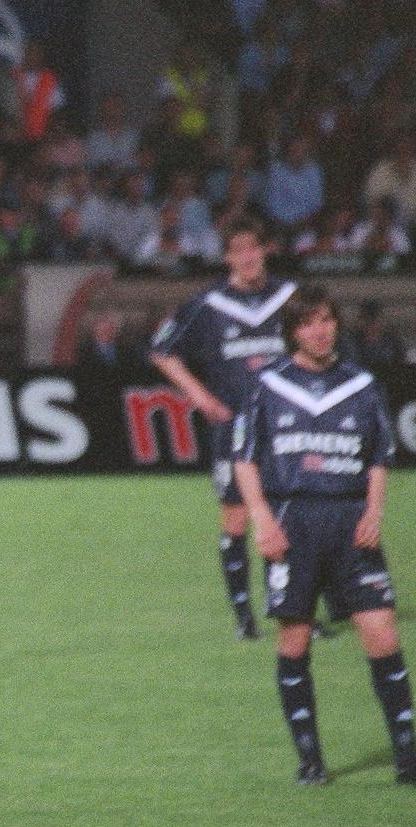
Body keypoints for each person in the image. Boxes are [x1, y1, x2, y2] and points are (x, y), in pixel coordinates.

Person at [233, 284, 416, 787]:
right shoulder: (268, 386)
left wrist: (375, 510)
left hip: (351, 524)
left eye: (327, 320)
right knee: (294, 640)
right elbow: (244, 459)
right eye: (309, 322)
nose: (321, 330)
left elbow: (378, 456)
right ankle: (310, 761)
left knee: (383, 634)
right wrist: (262, 519)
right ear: (293, 331)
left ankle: (408, 760)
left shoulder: (361, 384)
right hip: (293, 524)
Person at [148, 217, 295, 639]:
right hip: (235, 429)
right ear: (228, 257)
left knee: (287, 517)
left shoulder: (288, 297)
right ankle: (244, 617)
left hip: (284, 426)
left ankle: (290, 609)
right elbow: (161, 350)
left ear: (265, 250)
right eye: (238, 250)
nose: (248, 257)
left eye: (254, 247)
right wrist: (199, 395)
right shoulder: (209, 304)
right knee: (236, 519)